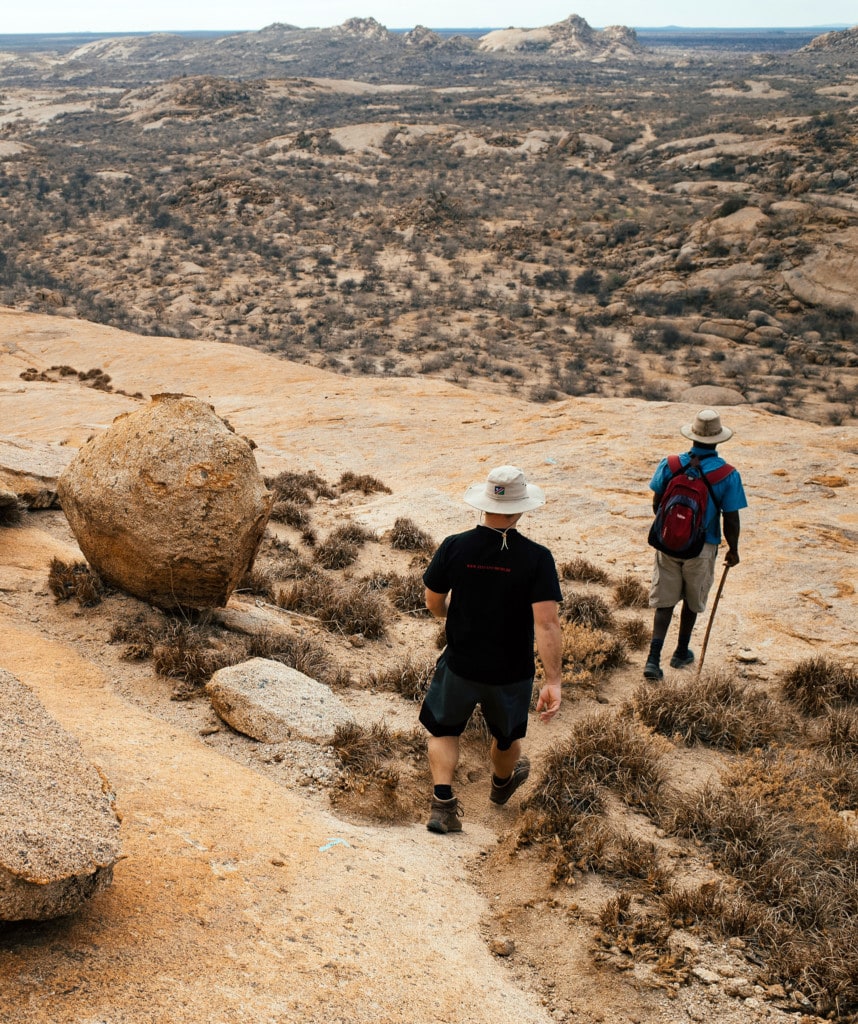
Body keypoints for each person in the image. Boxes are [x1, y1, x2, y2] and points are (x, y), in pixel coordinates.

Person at [419, 465, 563, 835]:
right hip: (511, 671)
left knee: (444, 731)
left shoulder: (455, 546)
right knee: (507, 737)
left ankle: (442, 806)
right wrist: (553, 681)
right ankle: (501, 784)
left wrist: (450, 614)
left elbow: (433, 602)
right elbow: (547, 623)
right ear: (521, 509)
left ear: (484, 504)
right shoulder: (538, 558)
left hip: (460, 663)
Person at [644, 409, 747, 681]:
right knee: (692, 599)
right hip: (702, 547)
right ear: (718, 440)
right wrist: (733, 549)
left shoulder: (671, 464)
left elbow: (657, 503)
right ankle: (680, 652)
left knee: (664, 602)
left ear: (692, 435)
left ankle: (653, 659)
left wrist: (671, 531)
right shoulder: (727, 474)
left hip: (667, 545)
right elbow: (731, 518)